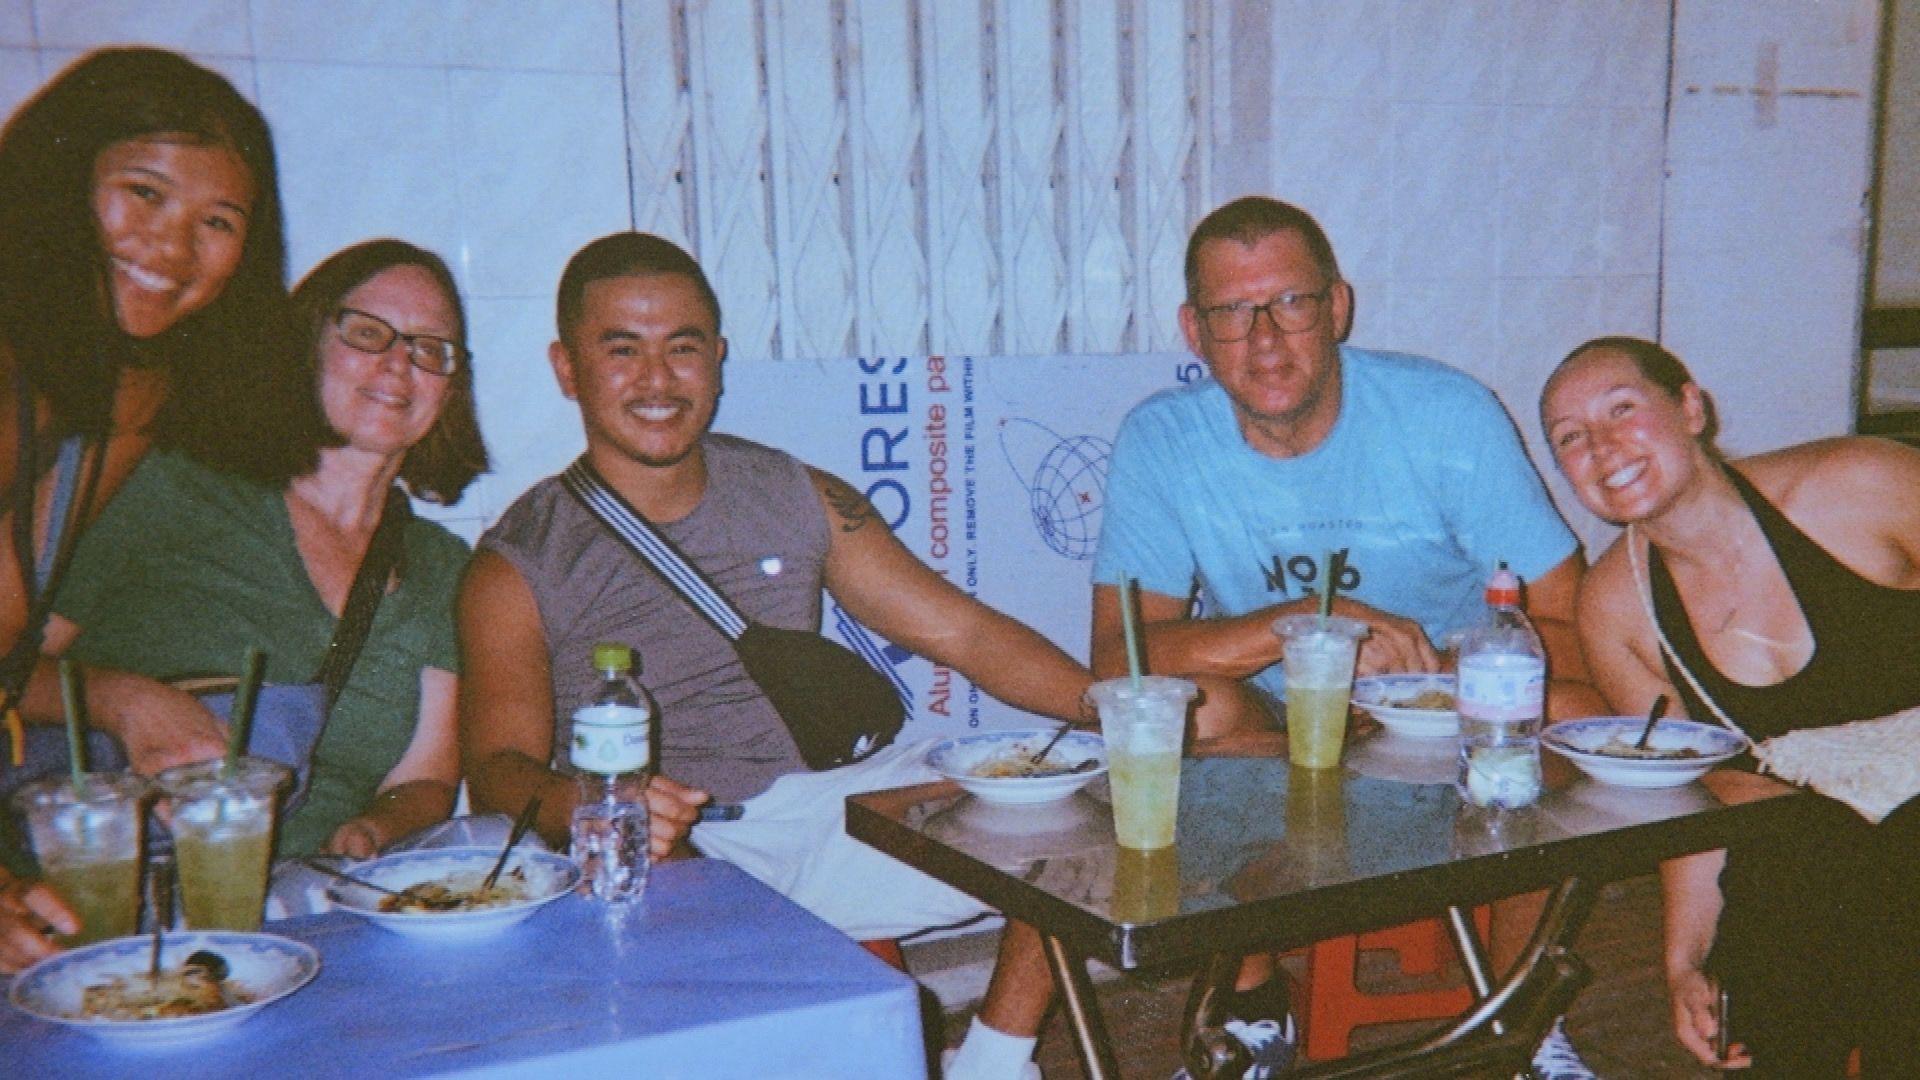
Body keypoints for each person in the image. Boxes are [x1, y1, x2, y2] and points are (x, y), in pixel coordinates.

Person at [460, 232, 1096, 1080]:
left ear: (718, 361)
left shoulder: (794, 492)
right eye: (622, 350)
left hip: (829, 808)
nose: (657, 379)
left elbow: (965, 635)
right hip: (678, 853)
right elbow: (497, 768)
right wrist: (603, 803)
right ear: (567, 367)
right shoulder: (518, 562)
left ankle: (995, 1059)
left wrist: (1115, 711)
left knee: (1103, 804)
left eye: (682, 348)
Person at [1090, 196, 1603, 1079]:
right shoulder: (1163, 439)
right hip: (1278, 725)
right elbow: (1121, 657)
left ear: (1337, 307)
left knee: (1566, 711)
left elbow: (1571, 626)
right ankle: (1253, 1008)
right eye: (1231, 313)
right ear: (1194, 330)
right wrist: (1311, 628)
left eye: (1289, 303)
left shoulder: (1445, 414)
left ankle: (1523, 1021)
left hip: (1446, 711)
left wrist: (1446, 676)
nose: (1264, 340)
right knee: (1183, 711)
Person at [28, 239, 486, 868]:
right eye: (367, 333)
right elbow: (9, 668)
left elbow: (426, 777)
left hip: (315, 909)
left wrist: (374, 830)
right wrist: (126, 701)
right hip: (114, 904)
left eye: (431, 349)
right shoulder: (176, 486)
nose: (400, 364)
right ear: (306, 347)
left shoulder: (441, 565)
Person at [1540, 335, 1920, 1077]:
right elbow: (1694, 795)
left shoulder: (1858, 483)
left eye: (1622, 409)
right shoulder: (1617, 607)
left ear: (1691, 408)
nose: (1604, 447)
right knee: (1778, 916)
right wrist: (1683, 959)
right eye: (1571, 439)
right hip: (1821, 852)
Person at [0, 48, 318, 689]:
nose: (174, 247)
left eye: (218, 222)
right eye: (145, 191)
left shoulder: (134, 393)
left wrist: (122, 699)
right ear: (62, 181)